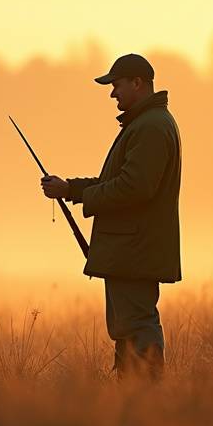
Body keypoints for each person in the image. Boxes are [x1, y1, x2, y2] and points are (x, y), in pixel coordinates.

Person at [41, 53, 182, 380]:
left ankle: (146, 391)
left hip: (135, 249)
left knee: (136, 322)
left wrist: (83, 196)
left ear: (138, 83)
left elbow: (135, 188)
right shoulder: (145, 124)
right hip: (131, 249)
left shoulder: (151, 127)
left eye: (116, 85)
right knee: (126, 325)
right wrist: (69, 189)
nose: (112, 93)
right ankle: (131, 391)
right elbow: (117, 183)